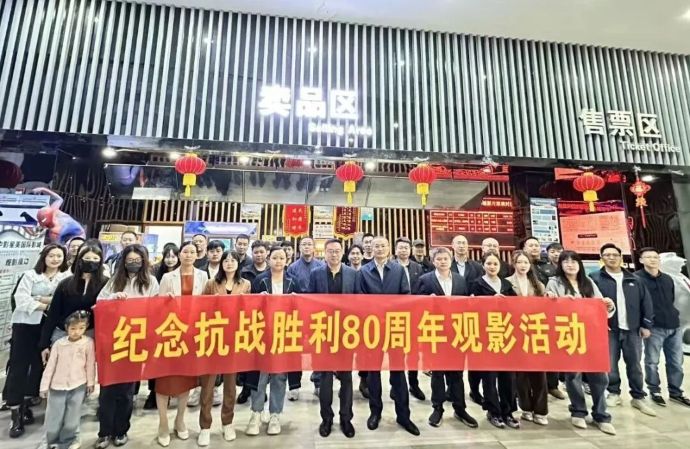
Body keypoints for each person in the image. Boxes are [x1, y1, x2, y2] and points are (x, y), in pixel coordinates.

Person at [546, 250, 617, 435]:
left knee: (599, 376)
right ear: (560, 265)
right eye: (566, 262)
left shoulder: (589, 283)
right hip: (568, 333)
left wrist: (609, 306)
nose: (570, 265)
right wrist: (558, 301)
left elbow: (601, 307)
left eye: (574, 261)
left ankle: (601, 415)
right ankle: (578, 411)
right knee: (573, 375)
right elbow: (548, 308)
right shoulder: (554, 283)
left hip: (591, 334)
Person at [95, 244, 159, 448]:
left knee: (127, 390)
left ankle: (121, 430)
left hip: (136, 340)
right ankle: (104, 432)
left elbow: (156, 309)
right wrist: (112, 298)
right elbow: (99, 303)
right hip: (114, 339)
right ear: (123, 262)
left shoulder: (151, 282)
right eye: (130, 260)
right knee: (107, 388)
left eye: (137, 261)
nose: (133, 263)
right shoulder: (115, 280)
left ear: (144, 262)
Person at [356, 236, 420, 436]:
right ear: (371, 248)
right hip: (373, 328)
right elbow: (360, 298)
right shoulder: (363, 271)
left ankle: (404, 416)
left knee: (398, 372)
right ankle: (375, 413)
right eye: (376, 246)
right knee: (373, 373)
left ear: (389, 248)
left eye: (383, 245)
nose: (380, 248)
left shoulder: (399, 270)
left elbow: (405, 296)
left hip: (395, 327)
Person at [6, 244, 70, 438]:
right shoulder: (30, 275)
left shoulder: (66, 277)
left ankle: (27, 404)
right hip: (25, 325)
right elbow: (21, 300)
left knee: (38, 366)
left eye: (59, 256)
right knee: (18, 367)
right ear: (44, 257)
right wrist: (48, 303)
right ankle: (15, 412)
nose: (55, 259)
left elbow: (64, 300)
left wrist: (40, 298)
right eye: (51, 255)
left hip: (48, 328)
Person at [589, 243, 656, 416]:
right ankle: (614, 393)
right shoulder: (594, 278)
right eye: (607, 255)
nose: (611, 258)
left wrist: (646, 325)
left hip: (632, 329)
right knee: (610, 364)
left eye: (615, 255)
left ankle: (638, 396)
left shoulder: (635, 279)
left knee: (635, 364)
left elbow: (646, 303)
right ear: (601, 258)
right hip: (609, 329)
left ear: (621, 257)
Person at [417, 247, 478, 429]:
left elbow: (465, 304)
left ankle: (460, 408)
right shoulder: (425, 280)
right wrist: (426, 301)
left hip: (456, 332)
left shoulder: (460, 280)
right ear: (433, 261)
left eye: (445, 259)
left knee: (457, 373)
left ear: (450, 260)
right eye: (439, 259)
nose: (442, 262)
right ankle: (437, 408)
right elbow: (416, 305)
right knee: (437, 372)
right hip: (435, 331)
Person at [245, 246, 302, 436]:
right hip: (262, 334)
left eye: (282, 258)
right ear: (268, 260)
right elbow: (249, 308)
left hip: (284, 335)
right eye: (275, 257)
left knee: (279, 375)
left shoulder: (293, 281)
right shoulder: (260, 280)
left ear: (287, 260)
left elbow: (301, 309)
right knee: (260, 375)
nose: (278, 261)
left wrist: (296, 300)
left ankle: (275, 414)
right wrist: (258, 300)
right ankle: (256, 412)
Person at [156, 241, 209, 447]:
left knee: (185, 379)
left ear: (197, 255)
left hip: (192, 334)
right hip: (171, 333)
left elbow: (206, 304)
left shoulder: (203, 276)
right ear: (179, 255)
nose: (188, 255)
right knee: (164, 380)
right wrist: (166, 301)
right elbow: (157, 306)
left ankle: (180, 420)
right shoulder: (167, 277)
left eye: (192, 252)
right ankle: (163, 424)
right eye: (185, 251)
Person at [198, 251, 251, 445]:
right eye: (226, 260)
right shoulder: (211, 283)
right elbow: (201, 308)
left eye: (233, 260)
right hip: (213, 337)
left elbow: (249, 312)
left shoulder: (245, 284)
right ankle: (205, 426)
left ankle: (227, 422)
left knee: (230, 385)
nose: (229, 263)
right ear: (221, 264)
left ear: (238, 264)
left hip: (233, 338)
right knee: (208, 385)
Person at [308, 239, 356, 439]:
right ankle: (326, 418)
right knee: (325, 377)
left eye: (337, 251)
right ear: (324, 253)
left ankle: (346, 418)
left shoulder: (353, 274)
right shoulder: (316, 274)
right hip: (323, 331)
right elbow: (309, 301)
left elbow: (360, 302)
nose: (334, 254)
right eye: (330, 251)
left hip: (346, 332)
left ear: (342, 252)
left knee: (346, 377)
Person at [469, 251, 519, 429]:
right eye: (488, 263)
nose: (492, 267)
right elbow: (471, 307)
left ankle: (508, 411)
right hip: (485, 335)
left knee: (508, 377)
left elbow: (517, 307)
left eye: (495, 264)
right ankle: (493, 412)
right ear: (483, 265)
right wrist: (490, 301)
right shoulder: (476, 284)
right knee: (489, 377)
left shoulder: (506, 284)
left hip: (506, 335)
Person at [635, 247, 690, 407]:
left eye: (655, 257)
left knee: (676, 362)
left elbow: (671, 300)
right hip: (653, 327)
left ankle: (676, 392)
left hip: (674, 325)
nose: (652, 260)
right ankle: (654, 390)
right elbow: (637, 305)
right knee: (652, 361)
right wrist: (644, 325)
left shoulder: (667, 279)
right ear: (641, 260)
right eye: (648, 257)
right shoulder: (636, 279)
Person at [506, 250, 551, 426]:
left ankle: (541, 410)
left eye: (526, 262)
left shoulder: (538, 285)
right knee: (521, 374)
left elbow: (547, 307)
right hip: (515, 332)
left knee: (539, 373)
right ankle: (525, 408)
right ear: (514, 264)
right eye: (519, 262)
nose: (523, 265)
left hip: (535, 331)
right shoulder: (507, 283)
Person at [39, 310, 96, 449]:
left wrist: (90, 382)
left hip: (78, 385)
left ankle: (68, 441)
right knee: (54, 416)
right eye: (73, 328)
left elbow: (90, 364)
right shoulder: (59, 344)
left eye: (81, 328)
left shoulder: (88, 343)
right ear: (66, 328)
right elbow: (50, 366)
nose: (77, 332)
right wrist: (44, 386)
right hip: (57, 386)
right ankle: (50, 441)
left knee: (72, 416)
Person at [40, 243, 107, 359]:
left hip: (90, 335)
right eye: (87, 258)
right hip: (64, 334)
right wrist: (44, 344)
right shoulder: (66, 283)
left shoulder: (106, 284)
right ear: (80, 260)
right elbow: (53, 314)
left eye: (95, 258)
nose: (91, 261)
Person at [520, 236, 563, 399]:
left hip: (548, 315)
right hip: (526, 317)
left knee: (550, 351)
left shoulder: (550, 267)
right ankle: (528, 387)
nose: (534, 248)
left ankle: (552, 385)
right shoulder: (520, 265)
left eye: (536, 245)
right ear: (524, 248)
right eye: (530, 245)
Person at [236, 240, 270, 404]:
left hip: (268, 320)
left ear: (267, 253)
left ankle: (260, 389)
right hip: (248, 319)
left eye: (262, 252)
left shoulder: (272, 271)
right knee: (248, 356)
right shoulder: (244, 271)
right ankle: (246, 388)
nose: (259, 255)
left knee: (264, 358)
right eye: (256, 252)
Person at [452, 234, 484, 405]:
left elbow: (482, 286)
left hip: (473, 317)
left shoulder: (477, 267)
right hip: (452, 318)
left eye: (464, 243)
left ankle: (474, 390)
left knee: (474, 357)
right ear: (452, 246)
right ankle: (452, 390)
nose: (461, 246)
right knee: (454, 356)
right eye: (458, 243)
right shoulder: (446, 263)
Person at [393, 237, 426, 401]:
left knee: (414, 353)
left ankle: (413, 383)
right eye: (401, 247)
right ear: (395, 250)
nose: (404, 250)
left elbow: (421, 289)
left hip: (414, 315)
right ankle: (396, 386)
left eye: (406, 248)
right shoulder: (391, 266)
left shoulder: (417, 268)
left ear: (410, 250)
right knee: (397, 352)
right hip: (396, 316)